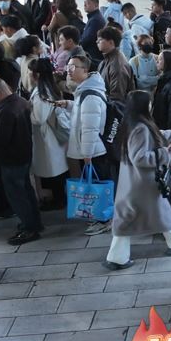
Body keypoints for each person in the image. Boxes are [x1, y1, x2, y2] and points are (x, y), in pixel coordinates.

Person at [104, 91, 171, 270]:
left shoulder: (131, 124)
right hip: (143, 183)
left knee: (133, 216)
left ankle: (118, 256)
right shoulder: (140, 128)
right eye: (149, 102)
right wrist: (165, 153)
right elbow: (140, 157)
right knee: (152, 213)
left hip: (133, 182)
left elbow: (154, 136)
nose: (151, 105)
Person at [55, 54, 111, 235]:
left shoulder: (89, 95)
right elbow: (83, 112)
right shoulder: (85, 90)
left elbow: (90, 128)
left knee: (98, 186)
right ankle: (100, 216)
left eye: (73, 67)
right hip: (92, 149)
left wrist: (87, 154)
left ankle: (105, 219)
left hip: (94, 151)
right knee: (96, 184)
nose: (68, 71)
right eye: (68, 67)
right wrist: (69, 104)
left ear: (85, 70)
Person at [0, 76, 42, 244]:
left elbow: (2, 140)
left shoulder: (6, 111)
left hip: (11, 160)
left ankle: (29, 229)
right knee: (26, 191)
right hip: (24, 155)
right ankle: (34, 223)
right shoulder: (20, 102)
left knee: (17, 196)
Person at [28, 57, 68, 208]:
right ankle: (58, 199)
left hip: (48, 137)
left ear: (37, 74)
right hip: (52, 135)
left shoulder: (41, 93)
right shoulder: (50, 88)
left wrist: (28, 110)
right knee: (56, 170)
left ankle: (58, 201)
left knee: (53, 171)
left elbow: (38, 118)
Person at [96, 26, 134, 101]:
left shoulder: (117, 65)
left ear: (111, 42)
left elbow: (117, 97)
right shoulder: (107, 60)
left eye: (100, 40)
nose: (97, 42)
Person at [81, 0, 106, 67]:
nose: (84, 5)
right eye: (84, 3)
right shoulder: (93, 17)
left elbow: (88, 39)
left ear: (96, 5)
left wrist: (78, 46)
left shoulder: (95, 20)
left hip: (94, 57)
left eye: (88, 3)